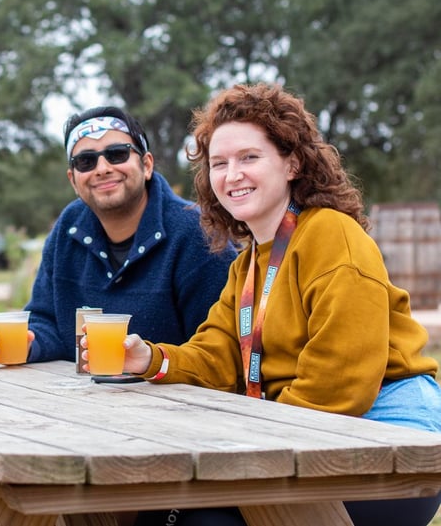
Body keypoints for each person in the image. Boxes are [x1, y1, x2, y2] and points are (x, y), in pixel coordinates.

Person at [92, 83, 441, 526]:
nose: (231, 174)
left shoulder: (331, 235)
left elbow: (341, 380)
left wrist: (248, 438)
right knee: (155, 508)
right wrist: (148, 358)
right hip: (307, 431)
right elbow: (216, 355)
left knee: (202, 519)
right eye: (219, 163)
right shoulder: (249, 264)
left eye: (249, 158)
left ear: (292, 162)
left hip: (390, 442)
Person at [0, 105, 237, 366]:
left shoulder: (197, 235)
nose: (102, 168)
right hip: (81, 400)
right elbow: (46, 320)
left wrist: (154, 365)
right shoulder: (68, 227)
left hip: (176, 401)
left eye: (117, 154)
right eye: (86, 161)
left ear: (146, 164)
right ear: (73, 180)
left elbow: (218, 353)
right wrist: (29, 344)